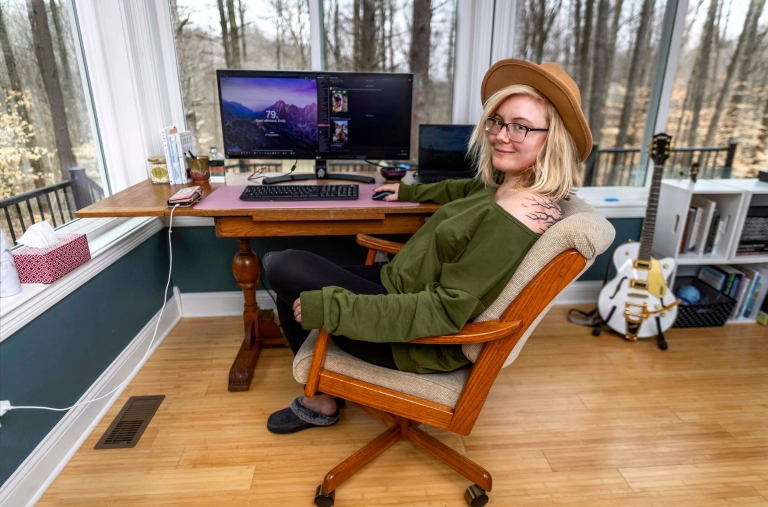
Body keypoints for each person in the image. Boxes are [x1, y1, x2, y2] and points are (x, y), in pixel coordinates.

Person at [264, 59, 593, 434]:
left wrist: (334, 309)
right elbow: (462, 190)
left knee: (282, 266)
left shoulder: (521, 212)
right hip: (398, 285)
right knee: (282, 268)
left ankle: (317, 402)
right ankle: (320, 396)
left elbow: (444, 311)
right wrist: (407, 191)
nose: (501, 135)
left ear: (554, 139)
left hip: (417, 342)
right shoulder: (507, 186)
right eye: (498, 121)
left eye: (520, 127)